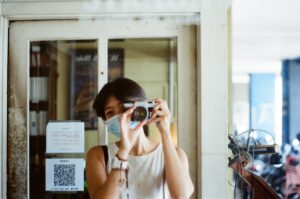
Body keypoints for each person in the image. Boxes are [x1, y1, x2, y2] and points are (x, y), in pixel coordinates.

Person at [86, 78, 194, 199]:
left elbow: (181, 195)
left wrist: (165, 132)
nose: (121, 118)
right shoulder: (98, 155)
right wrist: (123, 152)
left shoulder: (175, 154)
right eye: (110, 113)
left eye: (124, 109)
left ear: (142, 108)